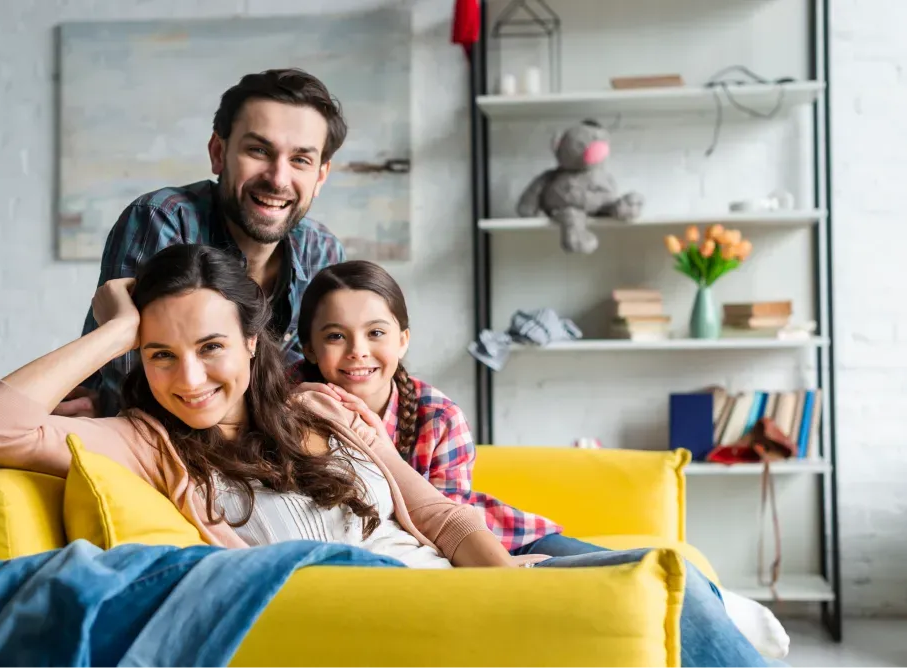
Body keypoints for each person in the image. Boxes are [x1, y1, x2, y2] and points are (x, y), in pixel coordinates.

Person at [0, 244, 776, 667]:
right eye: (163, 356)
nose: (189, 377)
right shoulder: (148, 442)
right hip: (389, 610)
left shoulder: (317, 404)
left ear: (251, 340)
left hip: (463, 588)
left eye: (210, 347)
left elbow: (438, 514)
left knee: (676, 580)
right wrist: (120, 329)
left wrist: (506, 583)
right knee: (682, 604)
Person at [291, 259, 790, 662]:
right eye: (335, 336)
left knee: (664, 572)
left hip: (505, 535)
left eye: (376, 333)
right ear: (309, 347)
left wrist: (513, 559)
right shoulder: (297, 414)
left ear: (403, 339)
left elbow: (450, 516)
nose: (358, 351)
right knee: (642, 581)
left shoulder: (435, 413)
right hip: (461, 558)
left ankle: (730, 616)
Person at [61, 68, 347, 420]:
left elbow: (327, 378)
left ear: (320, 175)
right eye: (258, 150)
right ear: (218, 152)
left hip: (264, 452)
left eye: (300, 159)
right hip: (147, 442)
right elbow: (145, 381)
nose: (278, 179)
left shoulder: (323, 251)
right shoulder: (161, 218)